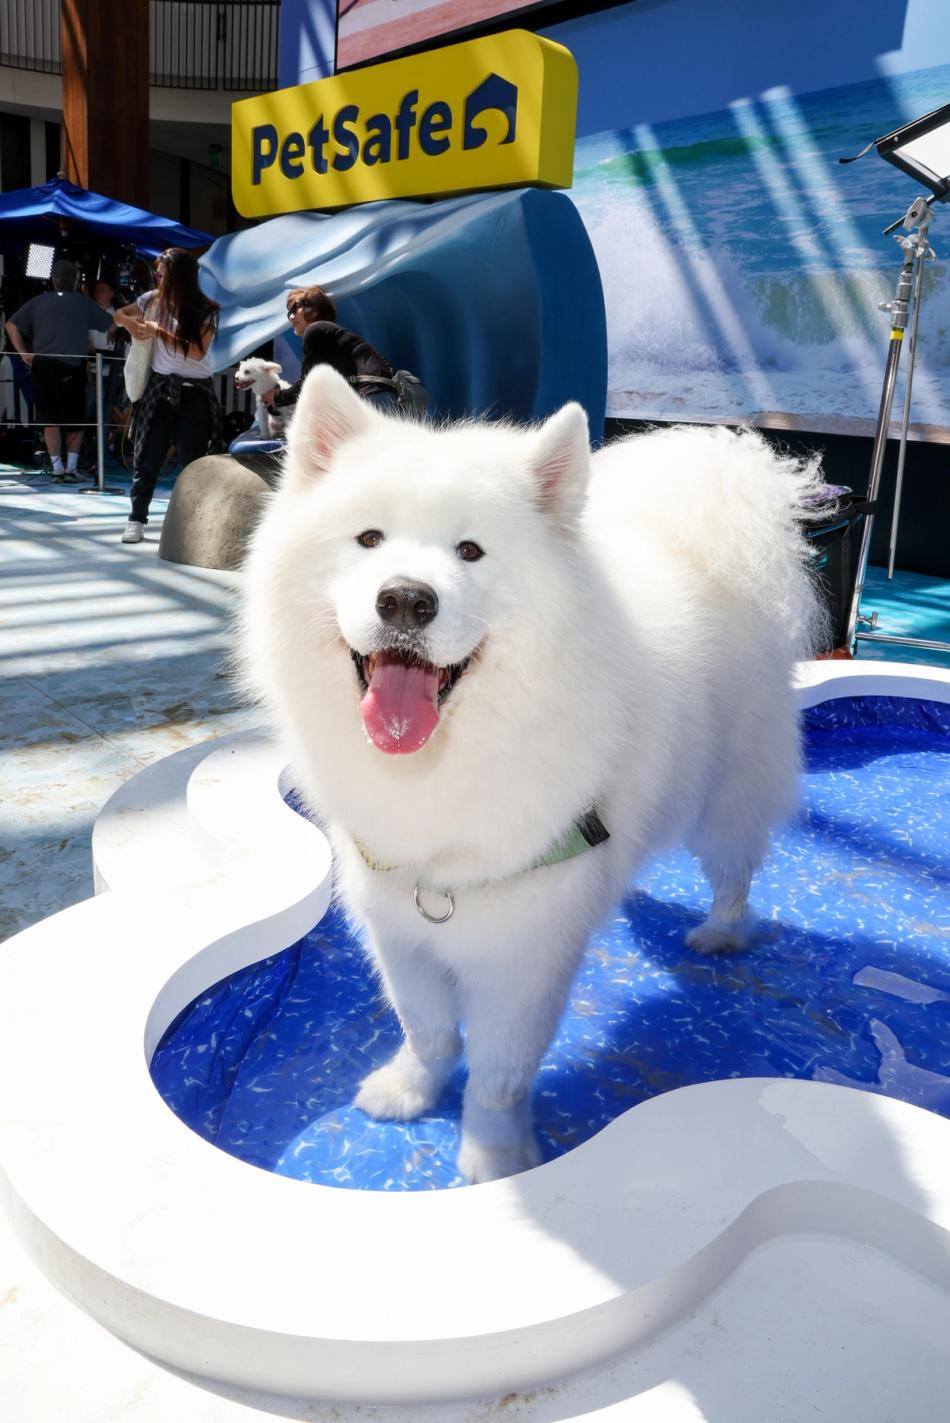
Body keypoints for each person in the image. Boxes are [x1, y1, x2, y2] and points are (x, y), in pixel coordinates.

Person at [113, 248, 222, 544]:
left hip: (195, 392)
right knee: (146, 455)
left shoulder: (207, 308)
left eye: (161, 273)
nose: (157, 277)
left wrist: (157, 330)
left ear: (177, 275)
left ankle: (195, 524)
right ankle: (136, 518)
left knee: (193, 462)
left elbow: (198, 350)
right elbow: (119, 314)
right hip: (159, 388)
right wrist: (130, 324)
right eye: (157, 273)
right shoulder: (150, 300)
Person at [4, 259, 113, 481]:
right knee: (75, 419)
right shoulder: (83, 302)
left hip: (42, 365)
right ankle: (71, 468)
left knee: (49, 419)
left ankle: (56, 468)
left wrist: (24, 352)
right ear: (75, 281)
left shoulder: (38, 301)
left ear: (53, 280)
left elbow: (11, 325)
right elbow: (110, 325)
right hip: (71, 365)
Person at [264, 286, 399, 418]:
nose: (291, 317)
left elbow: (308, 382)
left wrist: (276, 398)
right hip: (383, 395)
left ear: (313, 308)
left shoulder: (315, 329)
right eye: (289, 313)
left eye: (295, 308)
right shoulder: (332, 335)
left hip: (373, 397)